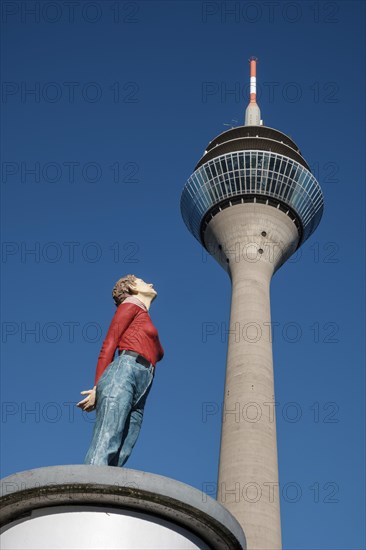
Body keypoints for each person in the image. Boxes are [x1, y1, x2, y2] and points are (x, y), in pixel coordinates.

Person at [76, 274, 164, 467]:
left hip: (145, 380)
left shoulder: (143, 316)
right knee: (107, 438)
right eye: (142, 281)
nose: (150, 283)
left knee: (125, 446)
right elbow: (109, 343)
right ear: (132, 288)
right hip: (124, 371)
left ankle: (106, 492)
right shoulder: (130, 305)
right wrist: (98, 386)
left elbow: (158, 352)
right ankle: (89, 490)